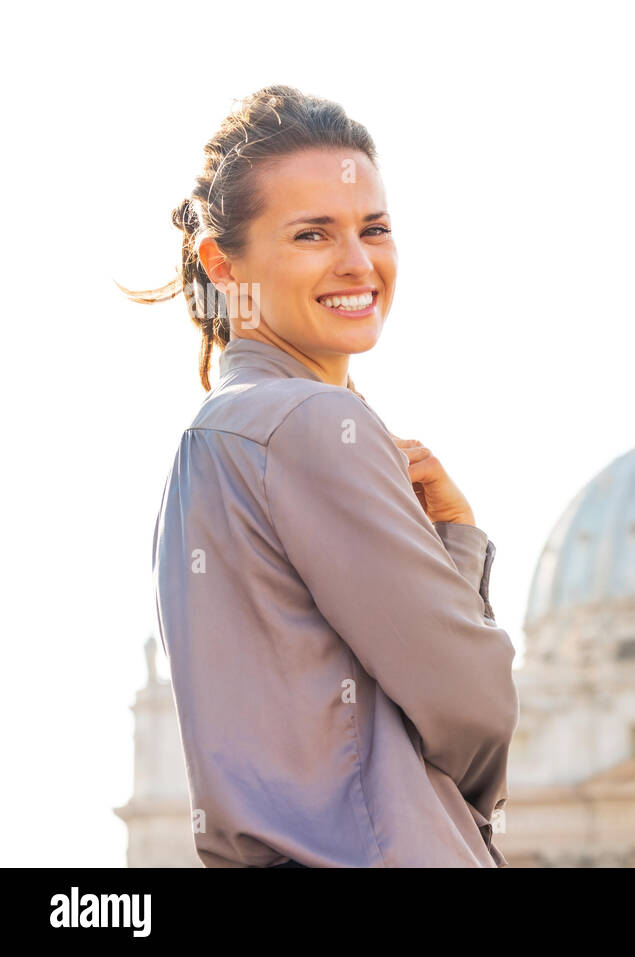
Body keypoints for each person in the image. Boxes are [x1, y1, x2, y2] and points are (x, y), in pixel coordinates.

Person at [121, 86, 518, 867]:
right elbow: (475, 709)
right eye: (312, 234)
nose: (358, 262)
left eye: (375, 228)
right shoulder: (312, 425)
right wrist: (459, 545)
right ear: (222, 265)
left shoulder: (209, 443)